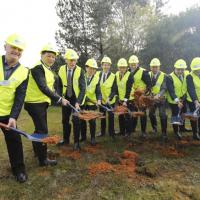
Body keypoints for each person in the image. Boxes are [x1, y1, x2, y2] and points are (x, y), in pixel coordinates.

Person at [24, 43, 68, 166]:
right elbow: (43, 87)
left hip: (41, 103)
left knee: (39, 129)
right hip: (34, 103)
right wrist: (59, 100)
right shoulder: (37, 68)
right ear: (42, 55)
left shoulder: (47, 69)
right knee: (43, 130)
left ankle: (38, 151)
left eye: (53, 57)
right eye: (49, 56)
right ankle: (43, 160)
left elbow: (50, 87)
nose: (51, 59)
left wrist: (60, 96)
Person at [0, 34, 29, 183]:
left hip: (7, 115)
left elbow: (20, 97)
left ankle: (19, 170)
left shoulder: (24, 72)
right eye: (13, 47)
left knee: (14, 143)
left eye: (20, 49)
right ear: (5, 47)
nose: (17, 51)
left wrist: (13, 117)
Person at [58, 49, 86, 150]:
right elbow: (59, 85)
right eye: (70, 60)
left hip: (76, 99)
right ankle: (66, 140)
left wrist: (78, 102)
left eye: (74, 60)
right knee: (65, 120)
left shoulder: (80, 70)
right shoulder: (61, 69)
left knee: (76, 120)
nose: (73, 62)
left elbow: (83, 88)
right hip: (66, 98)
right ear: (66, 60)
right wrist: (60, 97)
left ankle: (76, 142)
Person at [128, 55, 152, 138]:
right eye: (131, 64)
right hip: (132, 97)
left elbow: (149, 85)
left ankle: (143, 132)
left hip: (141, 97)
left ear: (137, 64)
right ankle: (132, 129)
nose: (133, 66)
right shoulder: (127, 72)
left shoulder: (143, 72)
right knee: (133, 113)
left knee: (142, 114)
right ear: (129, 64)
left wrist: (144, 94)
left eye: (134, 64)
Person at [80, 58, 101, 145]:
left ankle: (92, 138)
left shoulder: (96, 78)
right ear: (86, 68)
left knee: (92, 121)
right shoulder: (81, 77)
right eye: (90, 68)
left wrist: (99, 100)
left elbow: (98, 91)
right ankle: (83, 137)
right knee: (82, 120)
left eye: (94, 69)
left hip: (92, 103)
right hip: (82, 102)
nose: (92, 70)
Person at [167, 59, 188, 140]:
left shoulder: (186, 74)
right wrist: (177, 101)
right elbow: (171, 90)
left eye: (182, 69)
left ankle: (182, 127)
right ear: (175, 68)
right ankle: (176, 131)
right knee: (175, 115)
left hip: (182, 98)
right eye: (178, 69)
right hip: (174, 100)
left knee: (183, 113)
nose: (180, 71)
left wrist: (183, 98)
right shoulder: (169, 77)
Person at [148, 58, 168, 142]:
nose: (154, 69)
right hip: (152, 99)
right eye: (153, 67)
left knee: (162, 114)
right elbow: (147, 86)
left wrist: (158, 95)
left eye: (156, 67)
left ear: (159, 67)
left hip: (161, 99)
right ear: (150, 67)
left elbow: (164, 88)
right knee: (151, 114)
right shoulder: (148, 74)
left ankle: (164, 132)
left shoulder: (164, 75)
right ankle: (155, 128)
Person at [97, 56, 116, 139]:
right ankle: (102, 132)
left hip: (110, 101)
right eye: (105, 65)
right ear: (101, 65)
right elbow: (96, 88)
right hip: (101, 100)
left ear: (110, 66)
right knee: (102, 116)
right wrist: (99, 99)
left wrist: (110, 98)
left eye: (108, 65)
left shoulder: (113, 76)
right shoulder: (97, 74)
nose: (106, 67)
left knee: (111, 117)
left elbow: (114, 89)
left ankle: (111, 133)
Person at [115, 58, 133, 137]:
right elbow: (116, 86)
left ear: (126, 68)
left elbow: (128, 89)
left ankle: (128, 132)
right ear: (118, 67)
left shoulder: (130, 75)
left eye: (123, 67)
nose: (122, 69)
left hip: (128, 99)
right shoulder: (116, 74)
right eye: (120, 67)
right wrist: (117, 96)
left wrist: (125, 101)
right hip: (120, 99)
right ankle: (122, 131)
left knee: (127, 116)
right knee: (120, 115)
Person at [186, 57, 200, 140]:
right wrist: (195, 101)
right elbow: (191, 89)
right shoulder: (189, 76)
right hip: (192, 100)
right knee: (195, 116)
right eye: (196, 69)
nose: (197, 71)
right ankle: (195, 133)